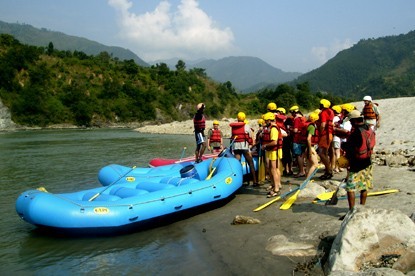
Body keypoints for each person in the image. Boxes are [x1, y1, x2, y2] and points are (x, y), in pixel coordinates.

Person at [341, 110, 376, 212]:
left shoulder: (356, 133)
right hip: (368, 162)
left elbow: (350, 149)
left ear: (355, 121)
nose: (351, 123)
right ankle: (362, 207)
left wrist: (344, 146)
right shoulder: (368, 128)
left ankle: (352, 210)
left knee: (350, 188)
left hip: (357, 164)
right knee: (364, 186)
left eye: (351, 121)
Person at [230, 112, 258, 186]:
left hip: (236, 147)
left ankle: (238, 182)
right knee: (250, 163)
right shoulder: (246, 126)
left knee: (237, 164)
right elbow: (249, 135)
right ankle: (255, 181)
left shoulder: (234, 126)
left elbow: (232, 136)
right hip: (244, 147)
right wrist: (251, 143)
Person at [261, 112, 282, 197]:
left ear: (270, 120)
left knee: (274, 169)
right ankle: (274, 185)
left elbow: (274, 142)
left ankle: (276, 189)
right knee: (271, 168)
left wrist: (265, 145)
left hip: (274, 151)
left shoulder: (273, 128)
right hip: (270, 150)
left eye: (266, 121)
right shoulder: (269, 127)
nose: (265, 122)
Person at [317, 99, 335, 180]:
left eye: (321, 104)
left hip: (325, 135)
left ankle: (329, 171)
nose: (319, 105)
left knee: (321, 153)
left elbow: (323, 124)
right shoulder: (330, 111)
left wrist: (320, 132)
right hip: (329, 134)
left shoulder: (324, 112)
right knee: (325, 153)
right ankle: (328, 170)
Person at [290, 105, 306, 177]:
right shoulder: (303, 118)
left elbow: (295, 130)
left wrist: (290, 129)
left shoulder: (296, 119)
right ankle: (302, 170)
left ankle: (301, 171)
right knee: (301, 155)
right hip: (302, 139)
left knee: (298, 156)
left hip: (297, 139)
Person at [303, 112, 320, 179]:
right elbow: (308, 139)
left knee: (309, 165)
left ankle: (306, 180)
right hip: (310, 148)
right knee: (315, 164)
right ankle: (307, 180)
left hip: (306, 148)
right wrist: (310, 150)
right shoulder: (312, 127)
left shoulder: (308, 125)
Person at [331, 105, 343, 173]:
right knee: (339, 153)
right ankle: (339, 167)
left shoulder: (335, 118)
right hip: (340, 137)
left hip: (336, 137)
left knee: (336, 153)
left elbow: (333, 126)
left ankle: (336, 167)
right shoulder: (341, 117)